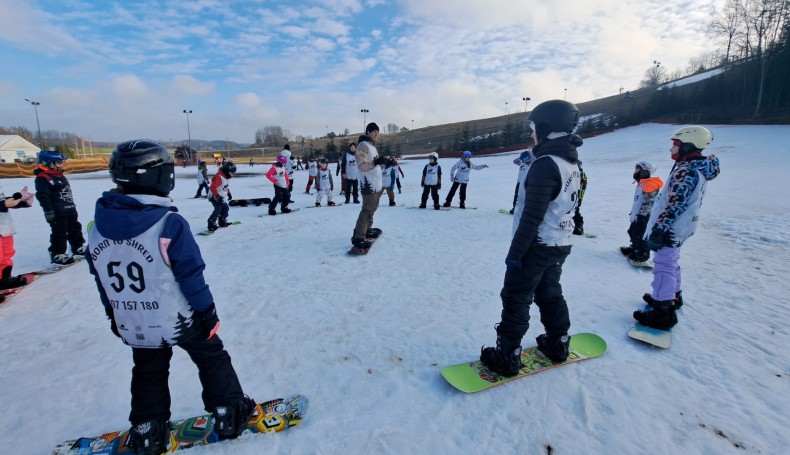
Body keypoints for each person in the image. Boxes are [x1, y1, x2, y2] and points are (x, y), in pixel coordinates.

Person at [85, 140, 255, 454]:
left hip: (135, 321)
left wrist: (113, 314)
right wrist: (207, 313)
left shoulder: (96, 229)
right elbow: (191, 274)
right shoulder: (168, 223)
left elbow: (102, 279)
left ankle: (148, 430)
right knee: (211, 356)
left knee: (148, 370)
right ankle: (229, 412)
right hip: (180, 318)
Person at [480, 100, 583, 377]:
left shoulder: (546, 164)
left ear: (546, 128)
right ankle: (557, 343)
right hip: (559, 242)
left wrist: (515, 254)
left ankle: (506, 357)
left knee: (516, 297)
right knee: (550, 294)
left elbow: (532, 217)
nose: (531, 134)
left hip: (537, 244)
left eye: (534, 128)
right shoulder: (571, 162)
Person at [634, 126, 720, 330]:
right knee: (671, 262)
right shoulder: (693, 167)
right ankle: (672, 296)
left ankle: (662, 311)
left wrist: (659, 230)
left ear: (688, 146)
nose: (671, 150)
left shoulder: (688, 170)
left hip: (671, 227)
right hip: (681, 226)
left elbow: (675, 203)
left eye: (675, 145)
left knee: (663, 265)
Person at [34, 151, 87, 265]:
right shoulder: (43, 178)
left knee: (75, 228)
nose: (61, 165)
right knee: (60, 232)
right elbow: (43, 196)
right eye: (58, 162)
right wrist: (49, 211)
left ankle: (77, 247)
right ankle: (57, 253)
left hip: (69, 208)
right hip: (57, 211)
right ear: (49, 163)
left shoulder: (59, 175)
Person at [351, 123, 390, 248]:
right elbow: (362, 166)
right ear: (368, 132)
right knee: (367, 209)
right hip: (367, 182)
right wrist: (376, 162)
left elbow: (376, 164)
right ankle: (358, 237)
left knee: (372, 208)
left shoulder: (372, 147)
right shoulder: (363, 146)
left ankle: (367, 230)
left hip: (375, 183)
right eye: (374, 132)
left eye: (377, 132)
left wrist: (387, 163)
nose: (376, 134)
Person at [620, 161, 663, 263]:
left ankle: (643, 253)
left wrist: (642, 216)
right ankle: (635, 247)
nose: (635, 171)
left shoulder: (649, 184)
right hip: (637, 214)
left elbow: (648, 202)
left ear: (644, 171)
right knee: (632, 232)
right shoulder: (642, 183)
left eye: (637, 169)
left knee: (640, 234)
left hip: (644, 215)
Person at [0, 184, 35, 295]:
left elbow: (3, 201)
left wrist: (20, 201)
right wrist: (3, 204)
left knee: (6, 254)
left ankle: (4, 279)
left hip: (4, 226)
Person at [207, 161, 236, 232]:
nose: (232, 175)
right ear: (227, 171)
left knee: (225, 208)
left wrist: (229, 193)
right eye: (231, 173)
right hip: (214, 196)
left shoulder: (226, 177)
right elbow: (212, 187)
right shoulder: (218, 177)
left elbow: (225, 187)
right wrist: (217, 196)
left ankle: (222, 221)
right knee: (218, 209)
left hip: (221, 195)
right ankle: (211, 223)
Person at [509, 150, 535, 214]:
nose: (526, 160)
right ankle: (514, 209)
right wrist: (521, 158)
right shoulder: (521, 163)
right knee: (516, 196)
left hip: (527, 183)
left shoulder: (533, 163)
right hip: (519, 182)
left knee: (527, 197)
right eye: (524, 159)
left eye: (527, 158)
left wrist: (530, 154)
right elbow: (514, 161)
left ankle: (527, 210)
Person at [572, 162, 588, 235]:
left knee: (575, 210)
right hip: (571, 195)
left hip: (576, 196)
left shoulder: (581, 174)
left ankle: (579, 226)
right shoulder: (573, 172)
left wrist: (579, 198)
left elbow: (582, 187)